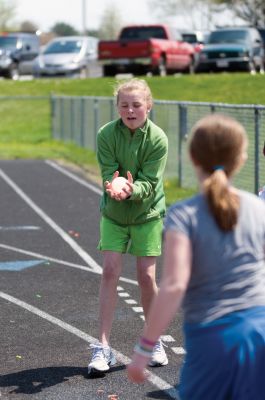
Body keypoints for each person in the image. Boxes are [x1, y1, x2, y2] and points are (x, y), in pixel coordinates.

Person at [127, 114, 265, 399]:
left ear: (192, 157)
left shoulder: (184, 215)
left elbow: (175, 285)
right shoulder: (258, 207)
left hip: (212, 337)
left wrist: (145, 347)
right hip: (260, 332)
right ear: (242, 157)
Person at [88, 78, 169, 376]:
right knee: (109, 270)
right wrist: (115, 186)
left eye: (137, 105)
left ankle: (153, 341)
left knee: (147, 277)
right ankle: (103, 347)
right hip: (114, 213)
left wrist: (132, 191)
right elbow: (109, 172)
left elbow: (149, 181)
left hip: (147, 214)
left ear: (148, 105)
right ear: (117, 107)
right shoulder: (106, 134)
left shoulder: (158, 139)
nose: (131, 110)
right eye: (124, 105)